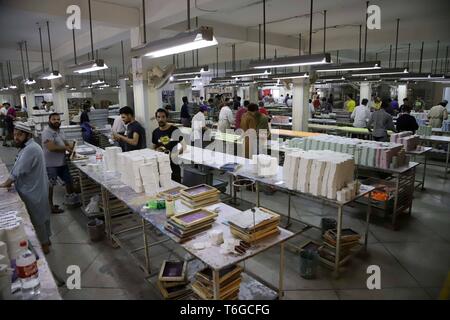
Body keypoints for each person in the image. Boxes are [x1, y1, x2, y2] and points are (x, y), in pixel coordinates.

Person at [0, 122, 52, 254]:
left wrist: (6, 183)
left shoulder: (31, 149)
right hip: (36, 186)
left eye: (19, 135)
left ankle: (44, 245)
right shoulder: (28, 146)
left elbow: (18, 169)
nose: (16, 137)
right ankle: (47, 239)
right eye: (15, 134)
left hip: (32, 189)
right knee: (42, 214)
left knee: (37, 217)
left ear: (27, 135)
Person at [42, 113, 79, 214]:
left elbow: (65, 143)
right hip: (51, 164)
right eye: (54, 119)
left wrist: (72, 147)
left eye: (58, 119)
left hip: (62, 162)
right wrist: (66, 148)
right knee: (50, 185)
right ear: (49, 120)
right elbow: (51, 147)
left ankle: (71, 201)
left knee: (68, 181)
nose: (56, 121)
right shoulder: (47, 132)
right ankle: (50, 207)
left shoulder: (60, 131)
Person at [152, 108, 184, 182]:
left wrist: (174, 154)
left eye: (163, 117)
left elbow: (182, 146)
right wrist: (156, 151)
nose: (161, 119)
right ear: (156, 118)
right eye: (159, 117)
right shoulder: (155, 132)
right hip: (161, 166)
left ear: (167, 118)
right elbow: (154, 147)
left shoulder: (174, 130)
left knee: (176, 187)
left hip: (174, 166)